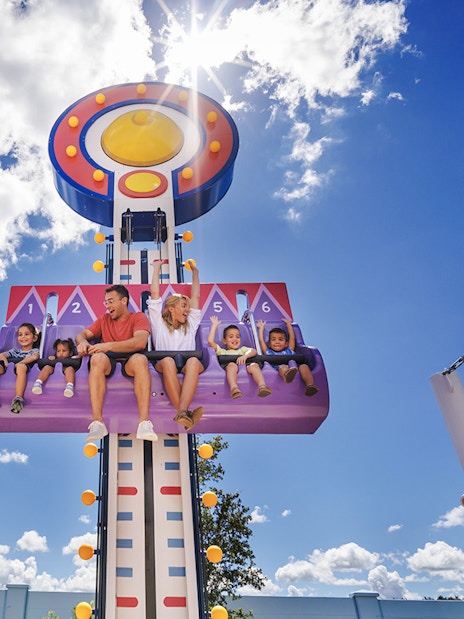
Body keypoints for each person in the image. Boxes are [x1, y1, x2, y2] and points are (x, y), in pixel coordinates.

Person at [75, 284, 157, 442]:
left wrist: (107, 345)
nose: (107, 306)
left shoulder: (138, 317)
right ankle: (97, 423)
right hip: (108, 360)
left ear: (124, 300)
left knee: (141, 359)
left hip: (131, 358)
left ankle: (144, 424)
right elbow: (82, 334)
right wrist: (83, 342)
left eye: (111, 301)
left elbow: (139, 342)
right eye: (106, 302)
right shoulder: (104, 319)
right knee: (97, 358)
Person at [147, 259, 204, 430]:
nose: (187, 310)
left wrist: (195, 273)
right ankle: (185, 413)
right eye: (183, 306)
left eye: (187, 307)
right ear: (171, 308)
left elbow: (196, 297)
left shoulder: (191, 323)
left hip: (187, 365)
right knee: (168, 361)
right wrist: (156, 269)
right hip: (165, 364)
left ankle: (181, 411)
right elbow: (155, 293)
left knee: (194, 361)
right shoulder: (159, 323)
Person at [208, 316, 271, 399]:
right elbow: (210, 342)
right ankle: (234, 388)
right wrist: (214, 325)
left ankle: (262, 386)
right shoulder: (223, 351)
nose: (235, 339)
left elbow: (253, 351)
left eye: (237, 337)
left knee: (254, 365)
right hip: (231, 366)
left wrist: (245, 356)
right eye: (231, 337)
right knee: (231, 365)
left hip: (246, 367)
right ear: (224, 341)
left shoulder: (243, 350)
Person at [256, 318, 319, 396]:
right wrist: (261, 329)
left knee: (304, 366)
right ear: (269, 344)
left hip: (294, 368)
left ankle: (310, 385)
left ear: (286, 343)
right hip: (280, 368)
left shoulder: (289, 350)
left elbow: (292, 338)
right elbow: (261, 341)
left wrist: (288, 325)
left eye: (280, 339)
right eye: (273, 339)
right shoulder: (269, 352)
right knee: (282, 367)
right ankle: (287, 375)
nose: (277, 342)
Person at [0, 322, 41, 413]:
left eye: (26, 334)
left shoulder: (34, 351)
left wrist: (19, 363)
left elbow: (35, 357)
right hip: (9, 367)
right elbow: (2, 355)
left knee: (21, 367)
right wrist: (7, 365)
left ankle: (18, 398)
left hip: (21, 367)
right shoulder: (15, 350)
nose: (22, 337)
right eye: (20, 335)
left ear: (34, 338)